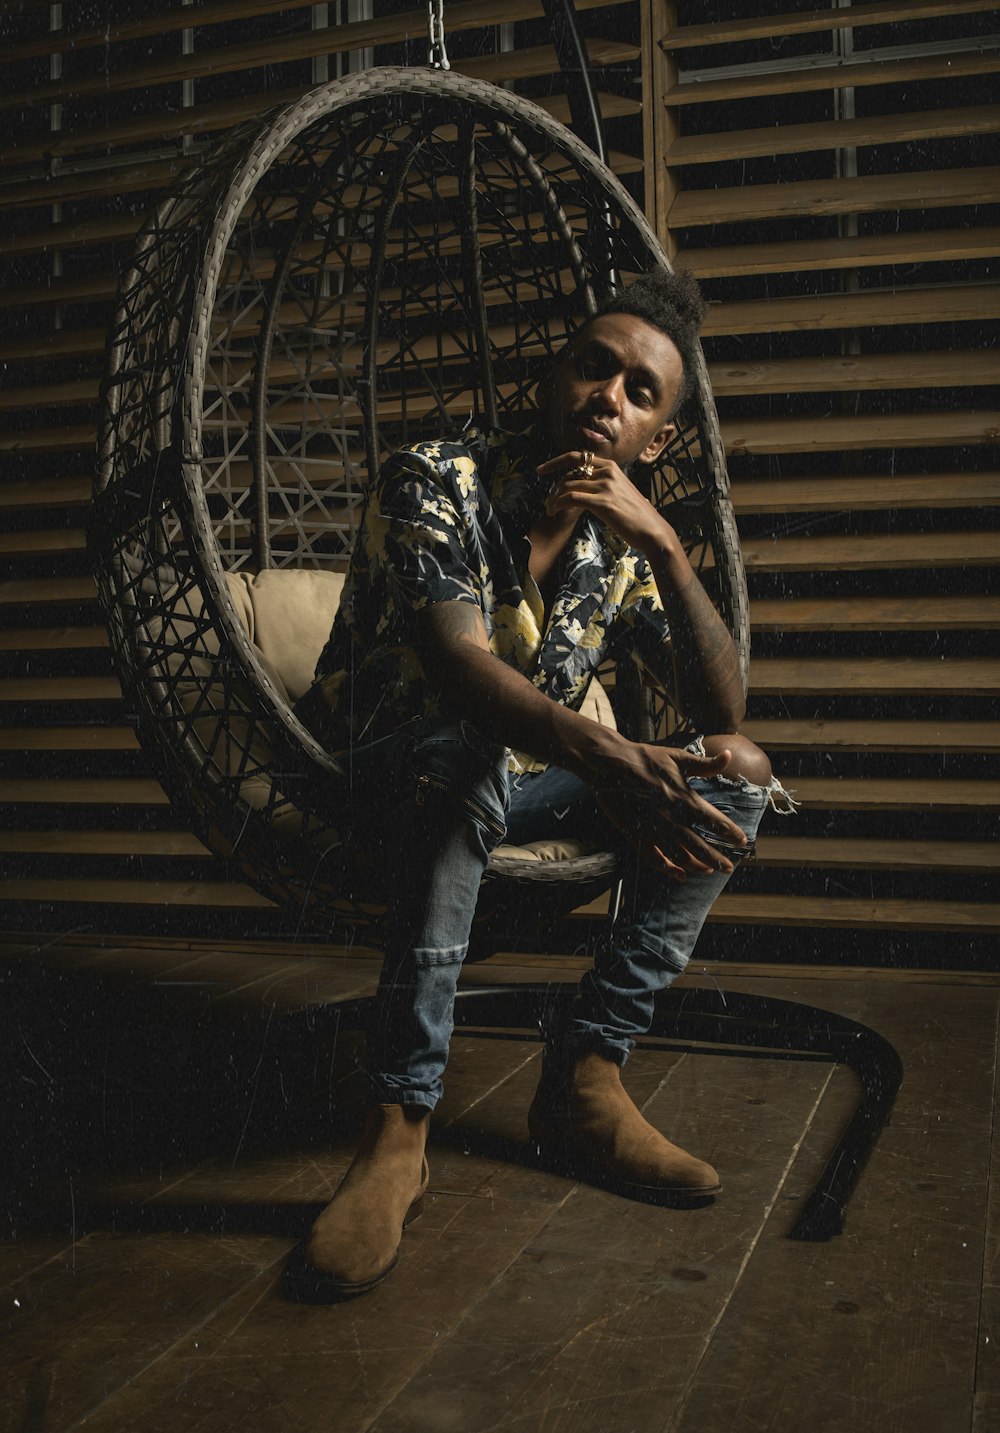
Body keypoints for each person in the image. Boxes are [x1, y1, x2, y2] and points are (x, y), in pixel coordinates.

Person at [284, 270, 793, 1303]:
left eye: (640, 392)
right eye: (593, 366)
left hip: (503, 787)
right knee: (467, 748)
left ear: (653, 436)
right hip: (385, 777)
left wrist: (662, 542)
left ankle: (586, 1075)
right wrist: (608, 761)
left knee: (739, 775)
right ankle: (400, 1124)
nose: (610, 394)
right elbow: (463, 672)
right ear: (553, 378)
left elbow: (721, 707)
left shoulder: (620, 544)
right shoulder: (435, 477)